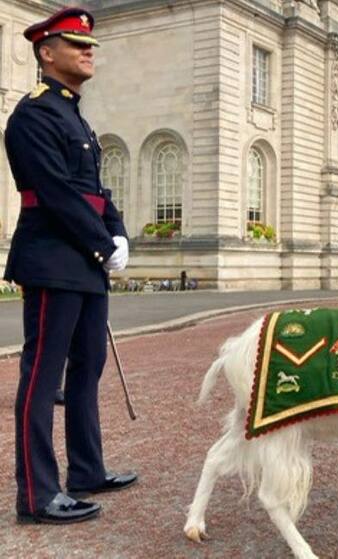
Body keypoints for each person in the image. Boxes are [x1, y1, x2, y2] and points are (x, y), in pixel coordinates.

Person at [3, 7, 137, 525]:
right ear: (46, 52)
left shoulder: (74, 114)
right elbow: (56, 192)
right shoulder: (34, 114)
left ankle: (86, 469)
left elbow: (96, 189)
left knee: (88, 367)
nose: (88, 51)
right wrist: (103, 245)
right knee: (42, 376)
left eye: (90, 45)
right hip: (53, 257)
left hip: (83, 258)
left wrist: (119, 230)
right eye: (76, 44)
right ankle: (36, 494)